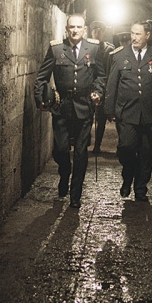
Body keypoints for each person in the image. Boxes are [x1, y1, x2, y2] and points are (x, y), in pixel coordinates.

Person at [34, 14, 106, 208]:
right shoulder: (56, 49)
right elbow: (42, 77)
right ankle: (64, 173)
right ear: (66, 29)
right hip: (62, 106)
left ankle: (76, 194)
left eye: (79, 27)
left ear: (85, 29)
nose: (75, 30)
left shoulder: (94, 48)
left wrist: (98, 92)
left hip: (84, 107)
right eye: (72, 27)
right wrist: (40, 99)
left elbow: (101, 75)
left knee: (81, 153)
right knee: (60, 149)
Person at [105, 20, 152, 201]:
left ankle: (141, 188)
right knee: (126, 147)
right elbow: (112, 84)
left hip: (150, 112)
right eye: (132, 33)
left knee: (147, 152)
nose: (133, 37)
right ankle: (128, 174)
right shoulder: (120, 55)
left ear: (147, 36)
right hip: (127, 112)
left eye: (138, 34)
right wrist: (109, 109)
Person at [89, 21, 115, 153]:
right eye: (95, 31)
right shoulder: (86, 48)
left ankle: (97, 145)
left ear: (103, 33)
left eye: (99, 31)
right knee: (87, 118)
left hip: (103, 88)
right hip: (88, 88)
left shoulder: (109, 50)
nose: (97, 34)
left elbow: (110, 71)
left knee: (101, 119)